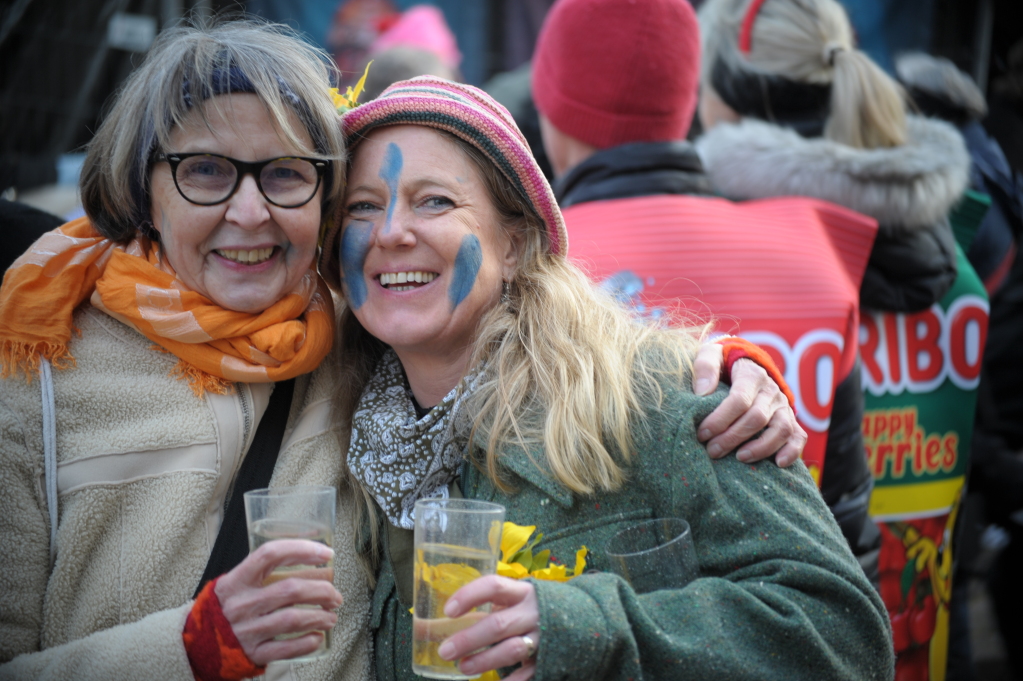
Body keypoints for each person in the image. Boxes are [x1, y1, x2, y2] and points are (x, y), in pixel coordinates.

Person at [319, 75, 894, 681]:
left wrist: (579, 629)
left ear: (514, 243)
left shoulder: (655, 399)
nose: (390, 233)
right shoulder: (332, 427)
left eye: (434, 200)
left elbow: (845, 633)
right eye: (362, 206)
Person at [0, 21, 373, 680]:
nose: (251, 212)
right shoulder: (37, 371)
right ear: (143, 190)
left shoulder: (368, 342)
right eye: (206, 170)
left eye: (286, 173)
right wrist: (196, 646)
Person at [529, 0, 874, 570]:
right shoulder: (816, 250)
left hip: (594, 637)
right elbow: (849, 520)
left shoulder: (539, 265)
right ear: (686, 99)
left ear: (553, 103)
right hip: (796, 626)